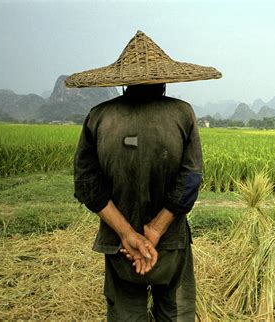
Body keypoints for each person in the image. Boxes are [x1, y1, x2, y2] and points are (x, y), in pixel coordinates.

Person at [66, 30, 221, 321]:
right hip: (170, 242)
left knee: (125, 312)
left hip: (119, 246)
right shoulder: (182, 114)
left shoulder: (99, 117)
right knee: (175, 310)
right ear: (164, 80)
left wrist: (126, 233)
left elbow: (86, 184)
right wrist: (156, 230)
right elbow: (190, 180)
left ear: (123, 81)